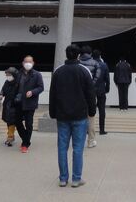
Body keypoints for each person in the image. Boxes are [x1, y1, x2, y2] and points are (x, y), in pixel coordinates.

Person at [49, 44, 97, 188]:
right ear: (78, 56)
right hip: (80, 115)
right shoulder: (84, 71)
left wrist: (53, 112)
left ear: (66, 54)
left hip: (62, 115)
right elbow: (90, 93)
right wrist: (92, 111)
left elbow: (53, 94)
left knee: (62, 147)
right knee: (78, 148)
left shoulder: (58, 71)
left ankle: (63, 178)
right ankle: (76, 179)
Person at [15, 55, 44, 153]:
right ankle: (25, 139)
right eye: (26, 62)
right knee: (17, 122)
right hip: (18, 102)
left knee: (29, 124)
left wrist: (32, 92)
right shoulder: (18, 73)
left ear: (33, 63)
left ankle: (25, 144)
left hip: (30, 103)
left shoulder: (37, 74)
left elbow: (41, 87)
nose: (28, 63)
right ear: (23, 63)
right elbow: (13, 86)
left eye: (30, 62)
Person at [78, 45, 101, 148]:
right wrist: (90, 86)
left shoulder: (77, 63)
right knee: (91, 117)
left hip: (77, 94)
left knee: (78, 118)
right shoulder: (96, 63)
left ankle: (79, 140)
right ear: (90, 53)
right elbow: (97, 77)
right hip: (90, 93)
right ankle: (91, 141)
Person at [0, 67, 19, 146]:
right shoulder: (6, 82)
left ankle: (10, 136)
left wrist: (17, 99)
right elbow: (3, 90)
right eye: (6, 75)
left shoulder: (18, 83)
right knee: (8, 120)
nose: (7, 76)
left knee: (12, 121)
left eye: (9, 74)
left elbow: (21, 93)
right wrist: (0, 95)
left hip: (15, 105)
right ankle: (11, 135)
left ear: (14, 75)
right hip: (7, 104)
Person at [92, 49, 110, 135]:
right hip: (101, 89)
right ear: (100, 56)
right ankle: (102, 130)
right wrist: (107, 88)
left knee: (90, 109)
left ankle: (89, 129)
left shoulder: (90, 65)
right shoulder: (104, 65)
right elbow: (107, 78)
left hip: (91, 90)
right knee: (102, 110)